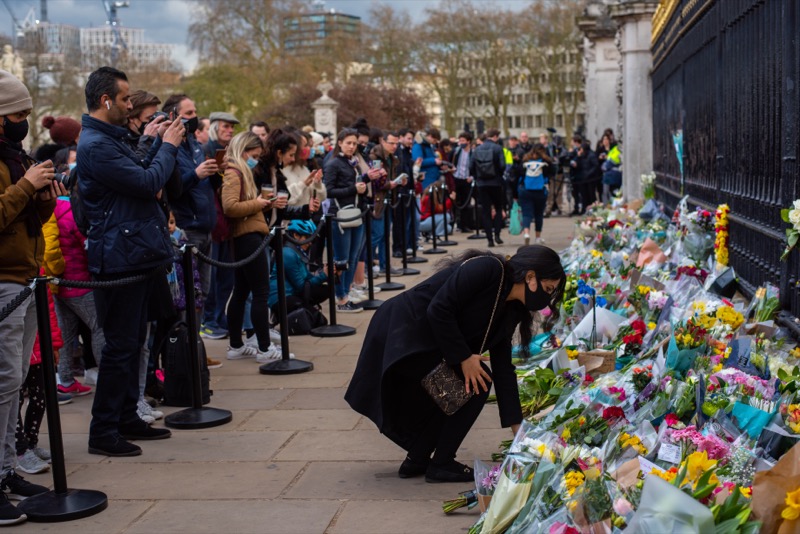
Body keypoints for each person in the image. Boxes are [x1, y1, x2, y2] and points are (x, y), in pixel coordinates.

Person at [345, 246, 566, 482]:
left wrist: (519, 431)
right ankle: (441, 462)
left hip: (427, 340)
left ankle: (418, 459)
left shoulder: (511, 308)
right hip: (402, 332)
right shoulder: (489, 269)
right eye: (548, 289)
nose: (546, 297)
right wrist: (463, 358)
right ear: (530, 276)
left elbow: (504, 370)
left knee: (473, 382)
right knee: (476, 382)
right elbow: (439, 309)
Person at [79, 66, 185, 457]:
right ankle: (103, 431)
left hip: (135, 250)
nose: (130, 105)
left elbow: (136, 168)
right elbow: (145, 183)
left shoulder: (109, 138)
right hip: (120, 257)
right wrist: (170, 145)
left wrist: (154, 140)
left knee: (132, 341)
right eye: (125, 100)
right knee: (120, 347)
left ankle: (126, 417)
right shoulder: (95, 144)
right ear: (106, 101)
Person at [0, 69, 61, 523]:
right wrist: (25, 187)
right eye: (18, 114)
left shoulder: (15, 155)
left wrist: (43, 194)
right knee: (2, 384)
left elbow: (29, 218)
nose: (24, 121)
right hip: (3, 278)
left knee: (13, 380)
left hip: (23, 275)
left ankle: (6, 468)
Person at [221, 131, 284, 362]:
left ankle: (236, 345)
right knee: (260, 292)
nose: (255, 160)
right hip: (248, 237)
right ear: (244, 150)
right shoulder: (234, 172)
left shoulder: (238, 171)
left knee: (241, 292)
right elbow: (230, 207)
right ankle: (265, 349)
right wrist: (257, 203)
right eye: (254, 155)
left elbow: (243, 206)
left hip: (248, 234)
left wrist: (265, 205)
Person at [200, 111, 240, 340]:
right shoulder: (208, 151)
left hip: (226, 222)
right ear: (215, 127)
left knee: (227, 277)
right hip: (213, 222)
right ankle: (209, 320)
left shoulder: (230, 153)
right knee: (213, 279)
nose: (230, 131)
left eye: (232, 128)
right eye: (226, 126)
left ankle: (218, 315)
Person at [323, 128, 371, 313]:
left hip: (356, 214)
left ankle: (346, 293)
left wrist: (363, 187)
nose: (352, 146)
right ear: (340, 143)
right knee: (341, 259)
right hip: (339, 216)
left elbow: (360, 187)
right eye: (348, 143)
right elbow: (329, 191)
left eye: (354, 143)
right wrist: (354, 189)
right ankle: (340, 297)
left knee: (353, 257)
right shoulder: (334, 163)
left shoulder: (354, 163)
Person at [267, 220, 328, 322]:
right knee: (320, 322)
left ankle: (297, 311)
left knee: (326, 290)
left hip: (292, 293)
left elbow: (307, 277)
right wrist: (322, 276)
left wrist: (326, 274)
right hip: (280, 298)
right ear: (295, 235)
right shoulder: (288, 253)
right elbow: (302, 287)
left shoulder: (297, 251)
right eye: (307, 238)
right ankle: (279, 315)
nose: (310, 243)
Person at [470, 128, 506, 247]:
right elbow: (502, 166)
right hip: (496, 183)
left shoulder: (477, 149)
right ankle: (497, 235)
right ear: (495, 136)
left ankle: (489, 239)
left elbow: (471, 167)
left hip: (482, 184)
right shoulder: (498, 148)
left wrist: (477, 177)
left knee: (486, 211)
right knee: (498, 208)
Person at [518, 145, 552, 245]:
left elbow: (518, 174)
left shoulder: (524, 162)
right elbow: (552, 171)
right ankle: (537, 237)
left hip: (525, 191)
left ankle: (526, 233)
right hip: (540, 191)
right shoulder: (545, 163)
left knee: (526, 213)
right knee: (539, 214)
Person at [451, 132, 474, 233]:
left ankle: (464, 225)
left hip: (466, 180)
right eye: (460, 141)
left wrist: (472, 177)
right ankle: (454, 224)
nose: (461, 143)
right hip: (456, 178)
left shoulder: (473, 153)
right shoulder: (456, 151)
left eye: (463, 141)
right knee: (455, 202)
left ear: (468, 141)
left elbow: (476, 166)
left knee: (466, 203)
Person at [601, 134, 622, 203]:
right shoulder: (613, 150)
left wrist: (604, 166)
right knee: (610, 192)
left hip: (613, 176)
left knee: (611, 193)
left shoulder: (615, 151)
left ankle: (609, 205)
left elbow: (608, 164)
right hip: (610, 176)